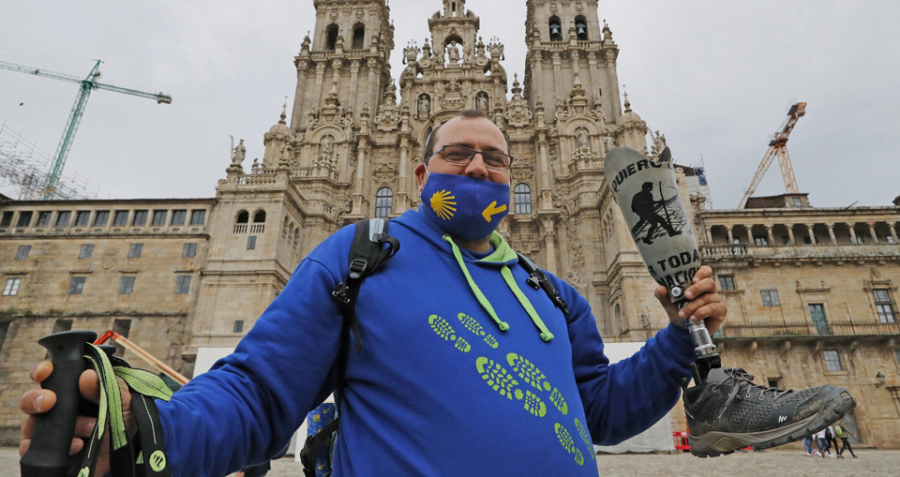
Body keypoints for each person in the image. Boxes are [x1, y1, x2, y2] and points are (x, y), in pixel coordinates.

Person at [20, 109, 812, 475]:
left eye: (495, 159)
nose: (478, 169)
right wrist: (155, 431)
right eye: (458, 154)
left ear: (516, 177)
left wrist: (676, 341)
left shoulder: (553, 292)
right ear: (420, 171)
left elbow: (600, 409)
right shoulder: (363, 256)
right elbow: (262, 392)